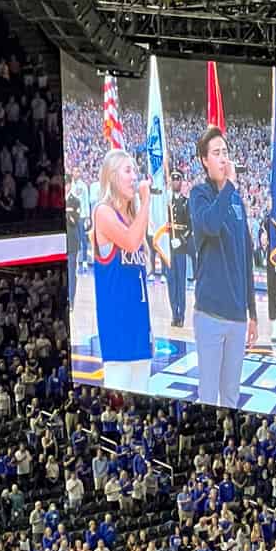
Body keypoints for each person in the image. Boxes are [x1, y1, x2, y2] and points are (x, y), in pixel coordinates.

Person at [187, 123, 258, 410]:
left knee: (231, 396)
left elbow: (246, 257)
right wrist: (229, 187)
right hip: (210, 314)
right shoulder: (199, 195)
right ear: (204, 160)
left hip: (237, 317)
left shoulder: (237, 200)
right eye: (216, 153)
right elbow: (212, 225)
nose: (223, 158)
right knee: (208, 395)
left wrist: (252, 311)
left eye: (225, 152)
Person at [90, 147, 152, 394]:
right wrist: (146, 200)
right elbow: (129, 241)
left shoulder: (132, 218)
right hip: (118, 328)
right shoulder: (103, 212)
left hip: (140, 326)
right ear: (112, 177)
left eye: (135, 170)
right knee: (121, 407)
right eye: (128, 170)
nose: (134, 176)